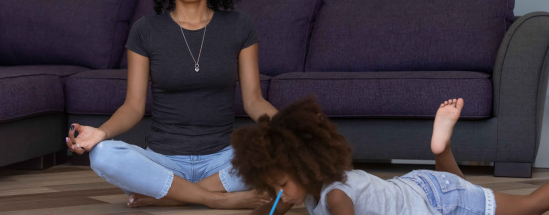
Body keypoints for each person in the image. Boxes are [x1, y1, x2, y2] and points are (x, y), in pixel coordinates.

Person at [65, 0, 278, 209]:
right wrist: (101, 133)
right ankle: (216, 200)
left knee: (282, 148)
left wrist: (289, 127)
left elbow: (254, 101)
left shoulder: (240, 26)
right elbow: (133, 107)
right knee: (103, 155)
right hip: (161, 161)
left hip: (224, 160)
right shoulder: (146, 30)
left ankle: (172, 197)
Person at [231, 97, 549, 215]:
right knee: (454, 183)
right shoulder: (309, 186)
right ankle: (441, 150)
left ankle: (442, 151)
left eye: (282, 185)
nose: (279, 194)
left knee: (531, 206)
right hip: (417, 187)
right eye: (273, 187)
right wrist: (277, 201)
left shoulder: (337, 196)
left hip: (436, 201)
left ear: (303, 167)